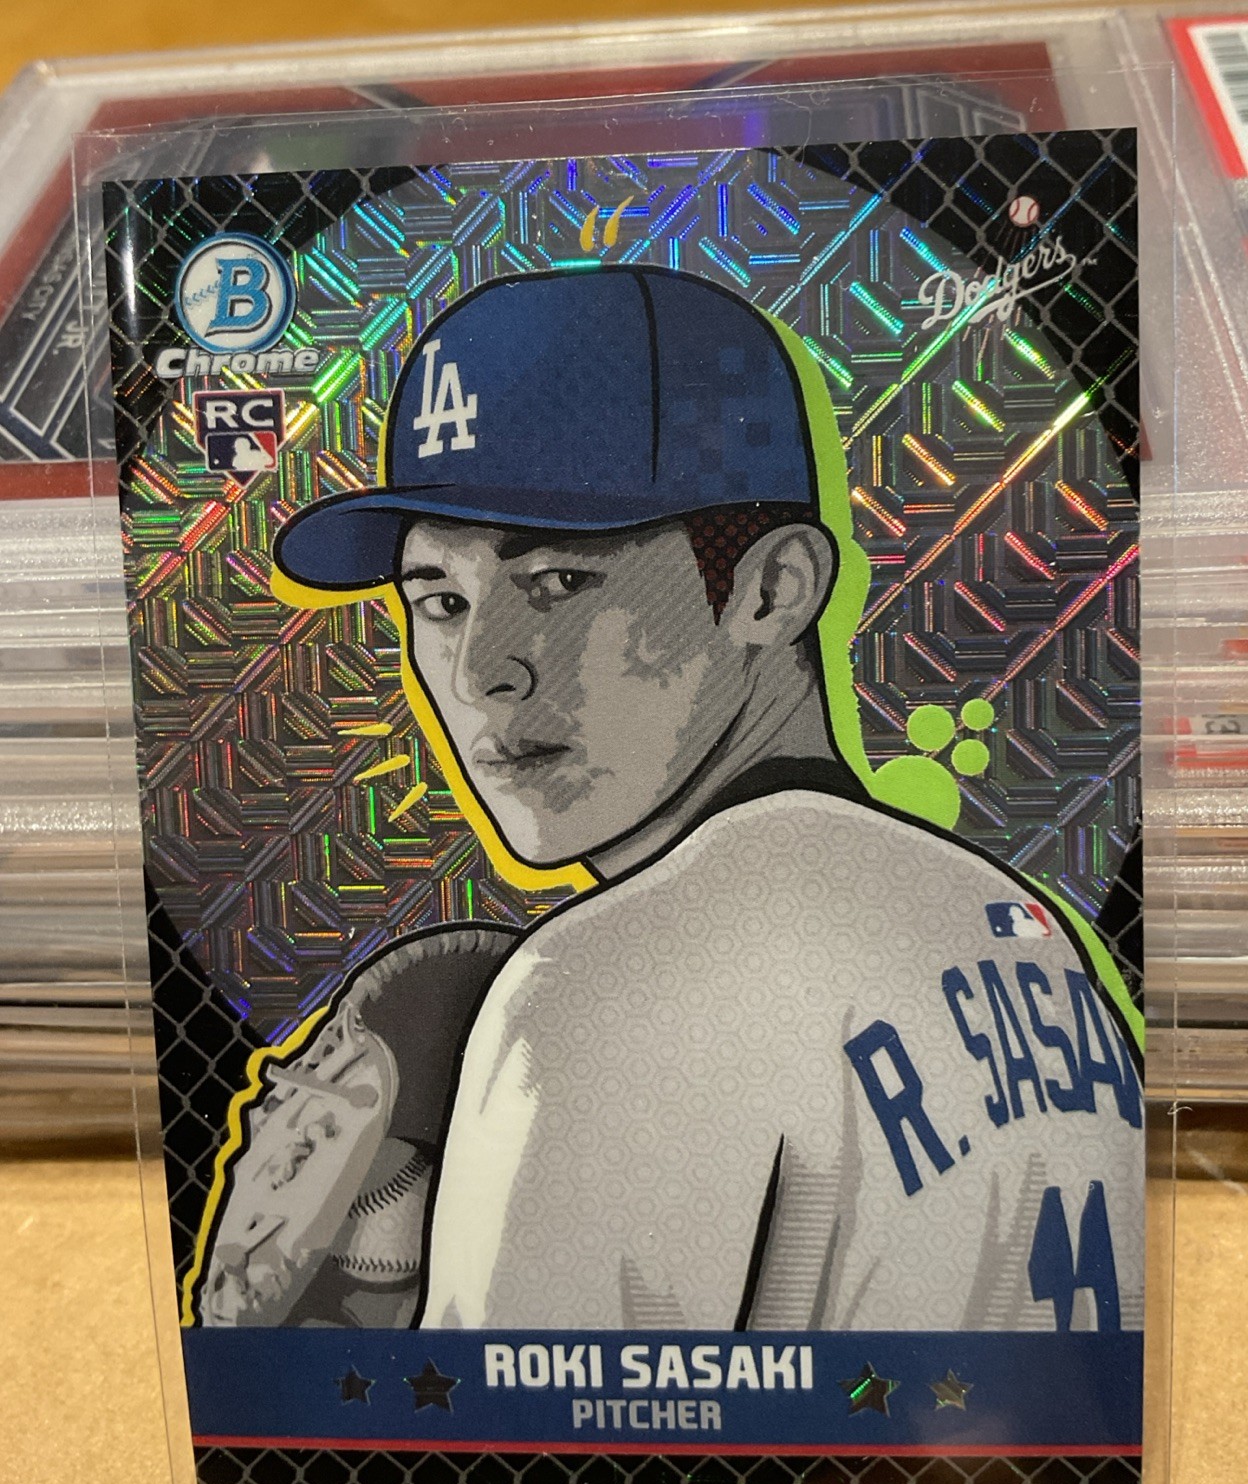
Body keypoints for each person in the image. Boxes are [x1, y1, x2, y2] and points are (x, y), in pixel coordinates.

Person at [200, 265, 1144, 1335]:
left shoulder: (591, 989)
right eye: (443, 600)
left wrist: (330, 1385)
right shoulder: (1020, 934)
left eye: (558, 582)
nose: (477, 672)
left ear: (773, 591)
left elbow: (519, 1443)